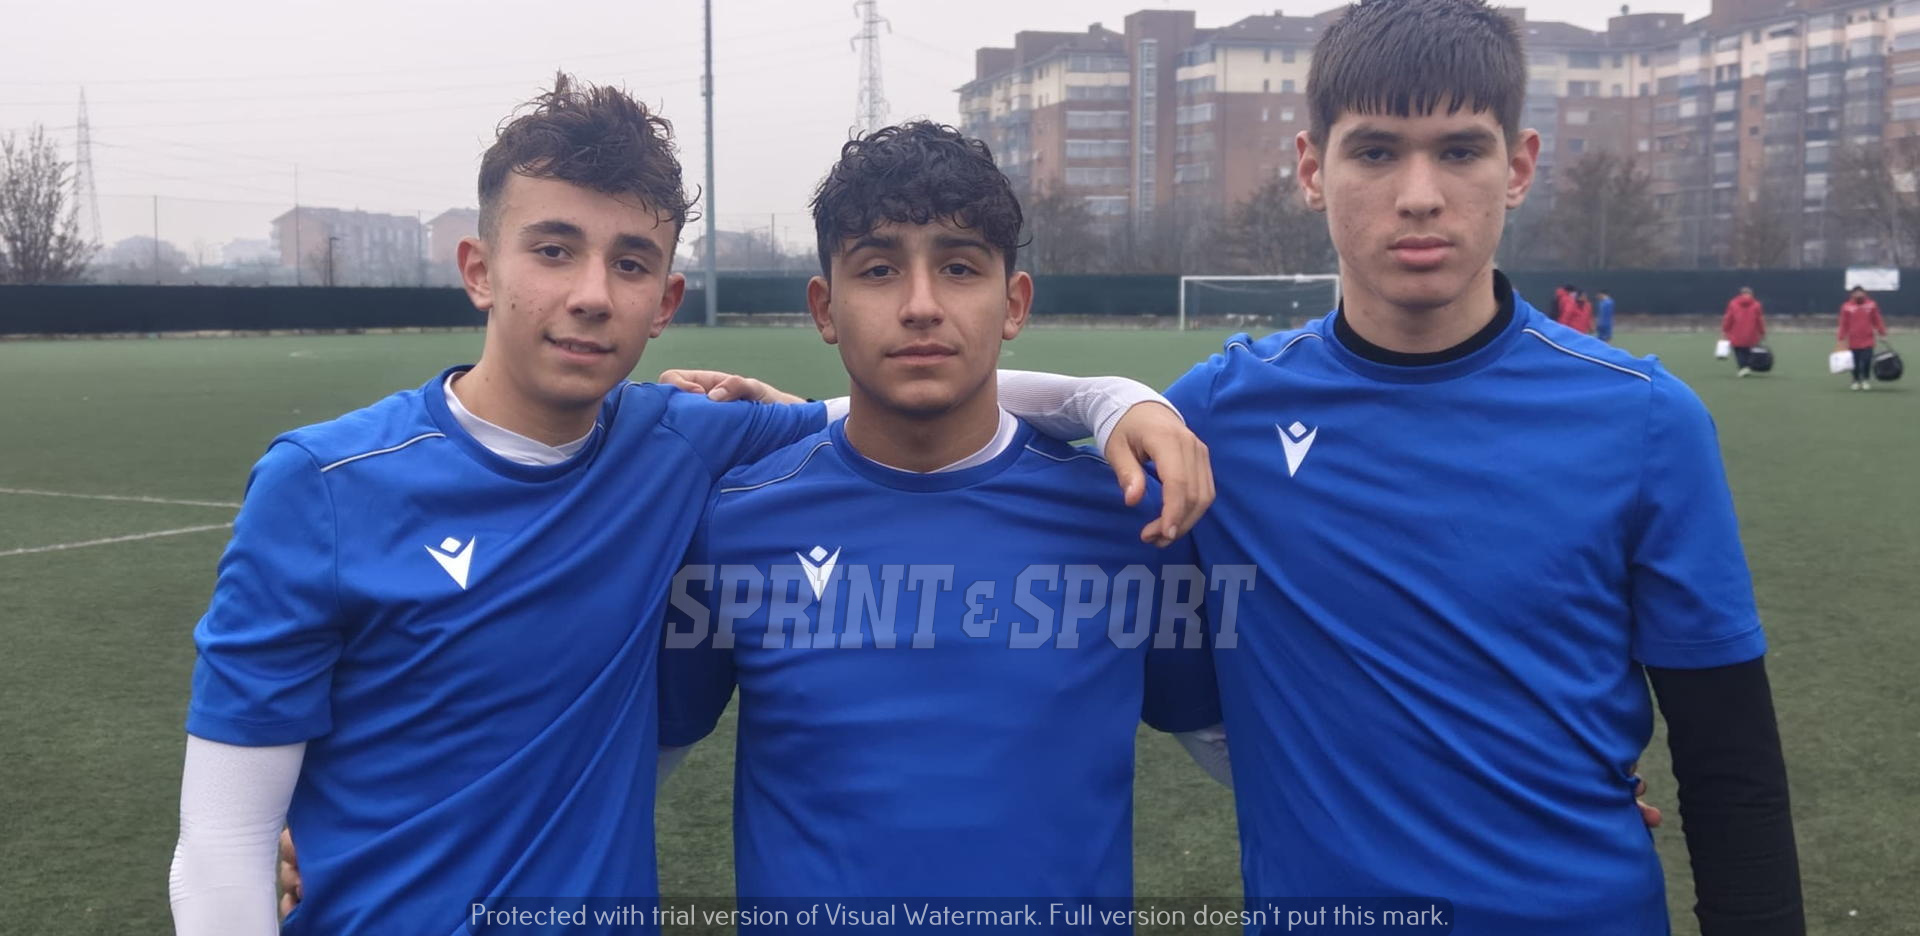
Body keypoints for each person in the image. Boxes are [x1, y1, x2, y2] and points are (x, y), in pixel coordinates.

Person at [171, 78, 1209, 936]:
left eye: (629, 262)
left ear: (665, 299)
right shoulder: (321, 485)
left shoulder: (680, 445)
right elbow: (221, 843)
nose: (592, 292)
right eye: (553, 249)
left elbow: (895, 397)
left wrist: (1114, 399)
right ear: (479, 270)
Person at [1163, 0, 1800, 934]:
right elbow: (1166, 682)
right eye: (1375, 151)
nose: (1419, 195)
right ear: (1311, 168)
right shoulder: (1214, 416)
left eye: (1460, 150)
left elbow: (1730, 759)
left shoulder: (1645, 421)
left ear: (1519, 166)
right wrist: (1100, 401)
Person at [655, 123, 1223, 922]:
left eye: (959, 268)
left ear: (1013, 303)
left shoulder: (1129, 518)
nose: (921, 306)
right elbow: (634, 764)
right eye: (878, 269)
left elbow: (1237, 749)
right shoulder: (733, 523)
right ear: (825, 307)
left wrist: (1114, 397)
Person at [1836, 285, 1889, 391]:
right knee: (1854, 362)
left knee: (1867, 360)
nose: (1859, 294)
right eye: (1856, 293)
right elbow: (1844, 323)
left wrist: (1882, 333)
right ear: (1852, 294)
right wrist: (1841, 337)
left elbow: (1877, 320)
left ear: (1864, 293)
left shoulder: (1871, 305)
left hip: (1868, 339)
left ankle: (1865, 380)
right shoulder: (1847, 306)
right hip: (1853, 339)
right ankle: (1855, 380)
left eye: (1861, 292)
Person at [1723, 286, 1767, 377]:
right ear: (1751, 294)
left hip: (1736, 333)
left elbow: (1729, 318)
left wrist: (1725, 330)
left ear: (1741, 294)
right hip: (1751, 334)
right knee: (1748, 351)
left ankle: (1743, 367)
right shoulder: (1756, 305)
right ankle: (1747, 366)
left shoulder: (1733, 303)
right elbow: (1759, 320)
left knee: (1738, 351)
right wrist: (1762, 332)